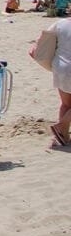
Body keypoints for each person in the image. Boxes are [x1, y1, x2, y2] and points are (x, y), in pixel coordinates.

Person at [46, 16, 71, 147]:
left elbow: (46, 38)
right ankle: (62, 126)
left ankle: (63, 136)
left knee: (66, 104)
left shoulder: (60, 23)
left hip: (60, 65)